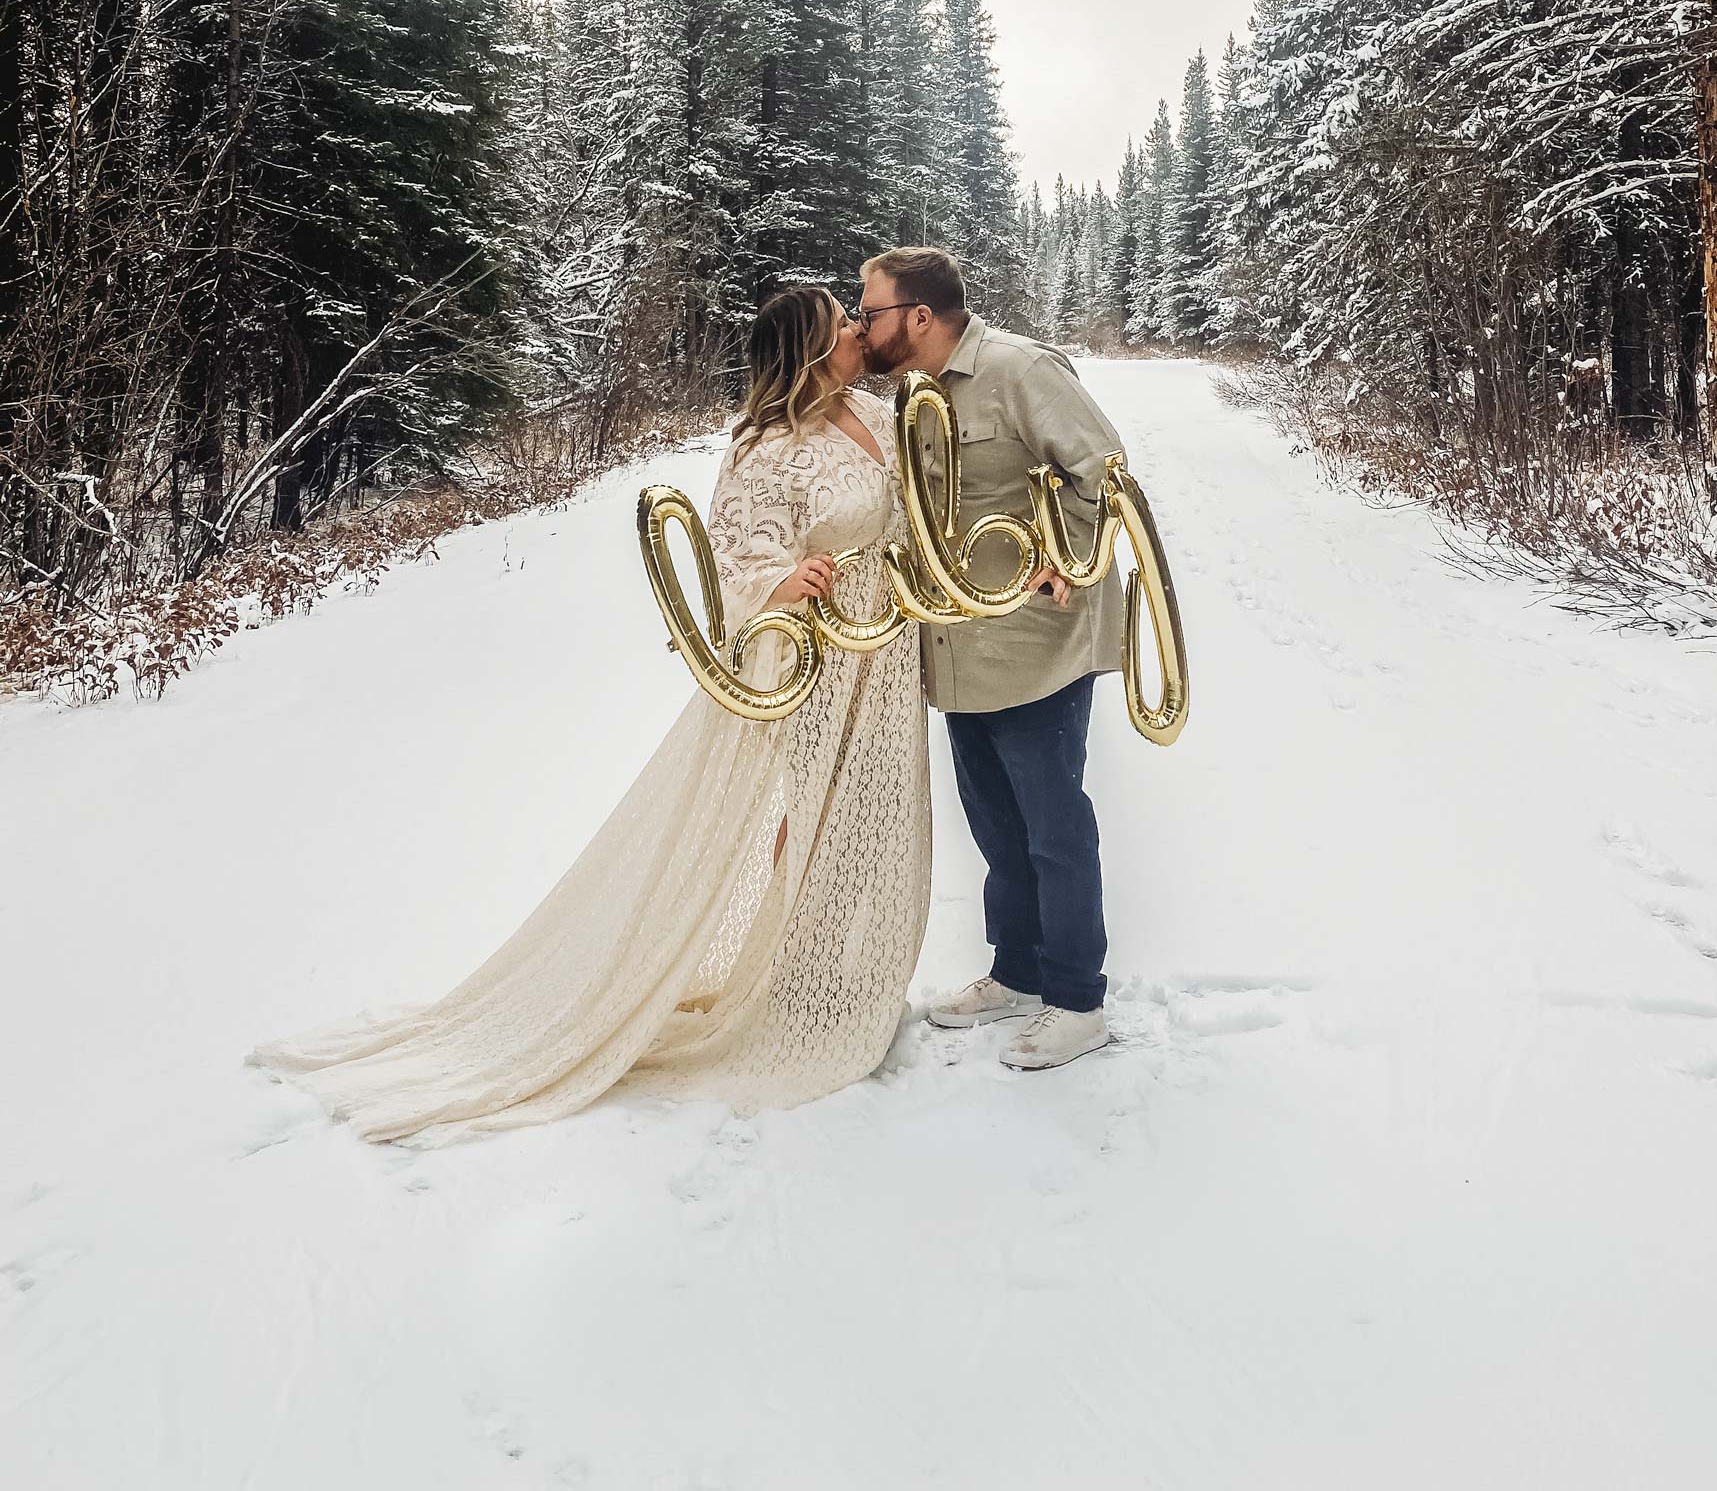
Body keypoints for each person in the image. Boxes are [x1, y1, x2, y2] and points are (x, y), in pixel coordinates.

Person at [250, 287, 930, 1142]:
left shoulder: (875, 406)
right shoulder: (764, 443)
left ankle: (853, 976)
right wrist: (781, 578)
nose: (852, 326)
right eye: (837, 319)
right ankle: (808, 988)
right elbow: (733, 548)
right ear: (805, 347)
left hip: (885, 647)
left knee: (873, 806)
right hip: (815, 654)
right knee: (815, 814)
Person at [857, 246, 1124, 1071]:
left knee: (1053, 827)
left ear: (920, 316)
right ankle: (1017, 971)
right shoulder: (912, 392)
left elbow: (1104, 473)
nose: (861, 326)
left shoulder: (1017, 370)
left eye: (869, 312)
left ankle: (1078, 999)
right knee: (998, 828)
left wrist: (1064, 551)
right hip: (959, 644)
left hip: (1035, 641)